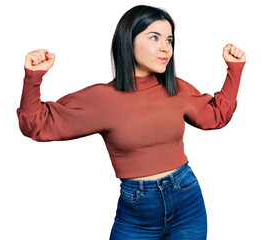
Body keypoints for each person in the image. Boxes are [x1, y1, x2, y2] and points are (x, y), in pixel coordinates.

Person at [16, 4, 246, 240]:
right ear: (128, 41)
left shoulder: (176, 88)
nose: (165, 47)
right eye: (154, 37)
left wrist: (234, 69)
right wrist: (33, 78)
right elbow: (36, 124)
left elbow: (217, 116)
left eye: (169, 40)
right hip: (137, 215)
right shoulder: (101, 99)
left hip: (187, 202)